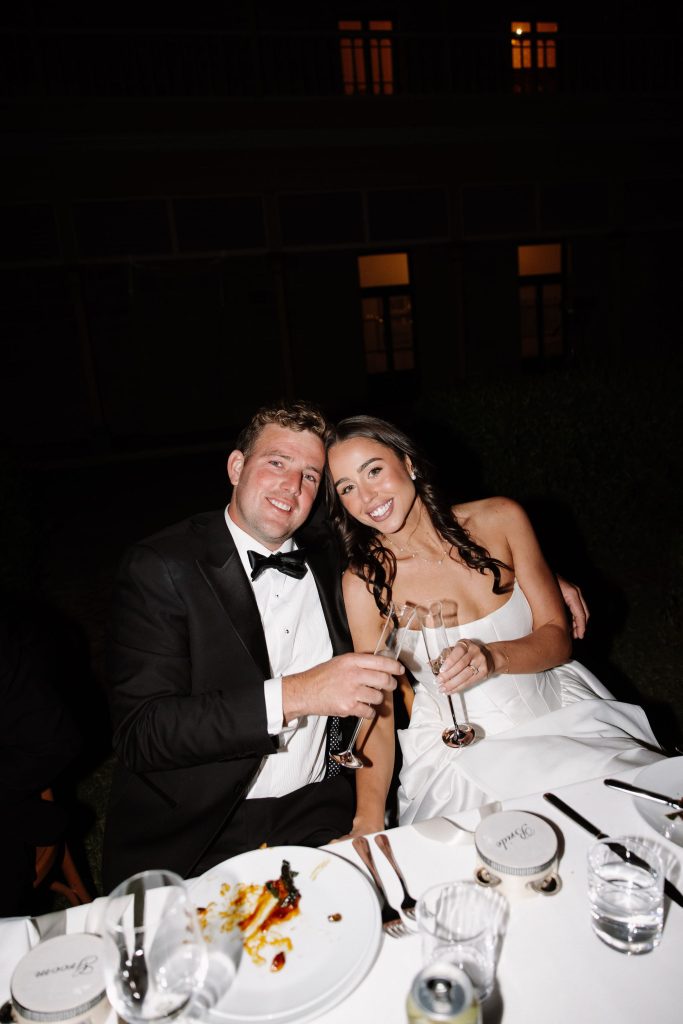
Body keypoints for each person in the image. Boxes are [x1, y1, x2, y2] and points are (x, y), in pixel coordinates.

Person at [101, 400, 402, 891]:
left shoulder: (330, 553)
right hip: (206, 824)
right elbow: (143, 732)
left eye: (310, 475)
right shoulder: (161, 566)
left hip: (319, 804)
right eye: (277, 463)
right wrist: (298, 694)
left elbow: (412, 534)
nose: (292, 486)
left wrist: (514, 573)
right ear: (237, 466)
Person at [325, 416, 664, 830]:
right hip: (460, 755)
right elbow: (377, 706)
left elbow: (558, 639)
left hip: (557, 715)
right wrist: (368, 818)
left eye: (373, 470)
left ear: (408, 462)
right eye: (347, 488)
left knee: (640, 817)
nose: (366, 496)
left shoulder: (502, 518)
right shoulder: (364, 581)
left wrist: (492, 656)